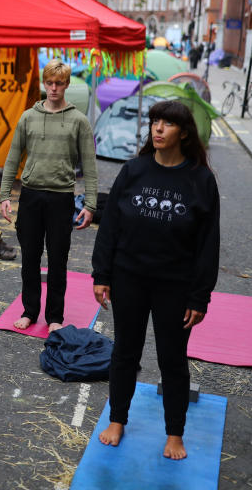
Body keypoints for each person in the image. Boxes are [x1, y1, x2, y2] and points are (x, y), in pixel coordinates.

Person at [91, 100, 219, 461]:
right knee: (124, 353)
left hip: (175, 285)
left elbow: (209, 244)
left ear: (184, 132)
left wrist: (199, 297)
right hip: (129, 277)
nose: (158, 129)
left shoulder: (200, 180)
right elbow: (110, 227)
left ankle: (175, 433)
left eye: (168, 124)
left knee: (172, 359)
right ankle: (117, 420)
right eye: (155, 122)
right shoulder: (134, 170)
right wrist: (102, 274)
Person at [0, 60, 97, 333]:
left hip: (61, 196)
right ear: (45, 83)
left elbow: (89, 164)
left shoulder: (78, 120)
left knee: (58, 258)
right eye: (50, 83)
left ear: (66, 85)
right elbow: (12, 158)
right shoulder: (28, 117)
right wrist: (4, 194)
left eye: (59, 83)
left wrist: (90, 204)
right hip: (30, 196)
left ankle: (55, 316)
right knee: (30, 257)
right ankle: (30, 311)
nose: (54, 88)